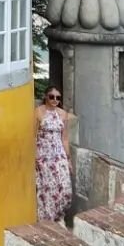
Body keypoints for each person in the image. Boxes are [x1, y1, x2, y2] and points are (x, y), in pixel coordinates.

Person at [34, 86, 74, 222]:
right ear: (46, 96)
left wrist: (68, 159)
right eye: (52, 96)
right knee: (47, 188)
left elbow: (65, 138)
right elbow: (33, 136)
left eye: (58, 97)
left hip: (59, 154)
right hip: (44, 155)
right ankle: (48, 220)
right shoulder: (38, 112)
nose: (55, 100)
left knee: (64, 187)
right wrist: (35, 157)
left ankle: (59, 216)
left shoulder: (63, 114)